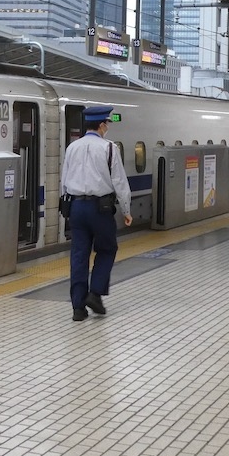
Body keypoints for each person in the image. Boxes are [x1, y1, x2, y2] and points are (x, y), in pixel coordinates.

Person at [59, 105, 132, 321]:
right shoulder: (109, 148)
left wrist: (66, 207)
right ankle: (95, 293)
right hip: (101, 208)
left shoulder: (73, 147)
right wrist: (126, 210)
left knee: (79, 255)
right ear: (101, 125)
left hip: (76, 208)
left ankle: (78, 308)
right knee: (107, 249)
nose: (108, 127)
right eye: (107, 124)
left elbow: (64, 180)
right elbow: (119, 181)